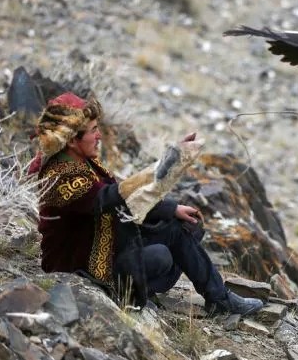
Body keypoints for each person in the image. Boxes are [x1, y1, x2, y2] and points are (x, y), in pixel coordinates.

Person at [30, 91, 263, 316]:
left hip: (108, 244)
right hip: (83, 268)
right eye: (93, 130)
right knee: (161, 255)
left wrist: (171, 209)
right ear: (71, 140)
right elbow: (111, 198)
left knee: (182, 227)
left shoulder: (83, 161)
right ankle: (127, 295)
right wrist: (166, 163)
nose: (99, 135)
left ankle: (219, 299)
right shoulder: (60, 176)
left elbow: (121, 195)